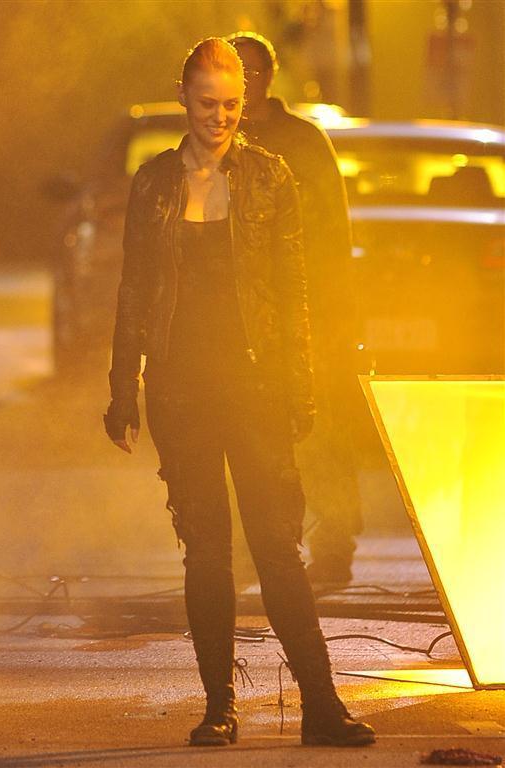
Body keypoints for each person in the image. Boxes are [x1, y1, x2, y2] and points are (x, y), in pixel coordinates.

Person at [104, 37, 375, 749]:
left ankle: (322, 706)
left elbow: (293, 292)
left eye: (230, 105)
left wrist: (302, 386)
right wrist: (122, 389)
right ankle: (219, 709)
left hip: (255, 386)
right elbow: (133, 290)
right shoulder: (153, 183)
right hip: (181, 388)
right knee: (206, 554)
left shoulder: (269, 177)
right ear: (183, 99)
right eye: (206, 104)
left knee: (278, 550)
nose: (219, 117)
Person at [227, 31, 364, 583]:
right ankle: (251, 546)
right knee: (245, 432)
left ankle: (334, 543)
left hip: (306, 310)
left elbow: (334, 229)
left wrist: (338, 311)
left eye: (252, 71)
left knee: (321, 427)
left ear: (269, 76)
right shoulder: (213, 141)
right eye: (233, 70)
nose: (244, 81)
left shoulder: (304, 142)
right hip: (238, 315)